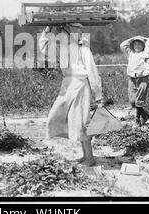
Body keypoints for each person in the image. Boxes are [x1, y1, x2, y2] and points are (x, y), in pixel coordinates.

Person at [39, 23, 103, 167]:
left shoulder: (84, 50)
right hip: (67, 85)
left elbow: (93, 72)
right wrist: (46, 31)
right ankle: (85, 155)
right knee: (60, 116)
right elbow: (44, 49)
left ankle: (90, 157)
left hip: (80, 85)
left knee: (81, 121)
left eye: (65, 33)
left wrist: (98, 94)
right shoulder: (61, 49)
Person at [120, 35, 149, 126]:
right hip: (132, 79)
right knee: (133, 101)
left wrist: (144, 38)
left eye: (139, 44)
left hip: (143, 79)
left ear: (143, 46)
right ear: (132, 46)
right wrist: (134, 38)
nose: (137, 46)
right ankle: (145, 114)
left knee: (139, 100)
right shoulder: (130, 53)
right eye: (135, 44)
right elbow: (123, 45)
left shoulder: (145, 53)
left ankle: (137, 119)